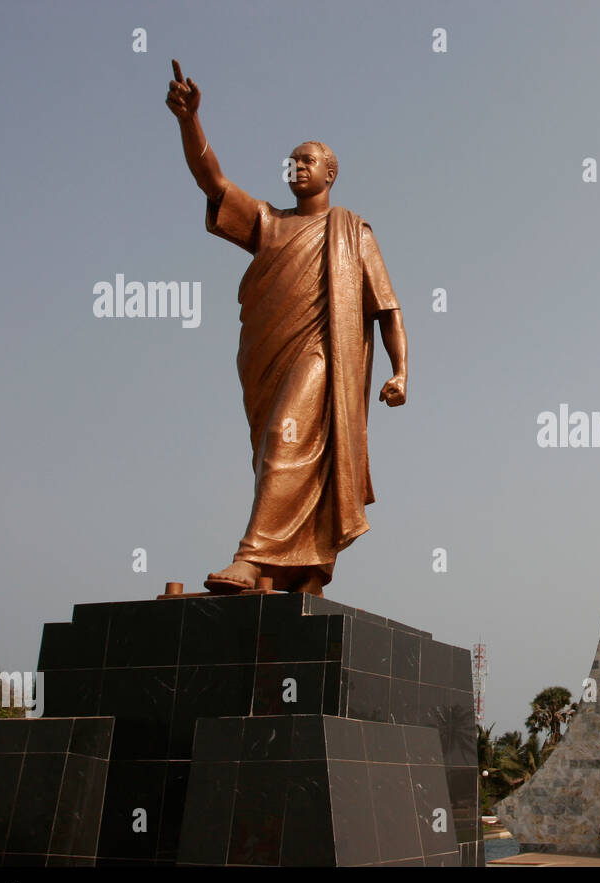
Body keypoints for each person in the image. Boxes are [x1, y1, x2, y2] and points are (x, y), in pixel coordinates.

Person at [165, 61, 407, 596]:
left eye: (307, 160)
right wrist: (189, 122)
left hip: (325, 355)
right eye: (292, 160)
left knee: (285, 439)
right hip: (266, 361)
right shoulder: (269, 225)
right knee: (277, 452)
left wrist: (401, 372)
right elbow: (214, 182)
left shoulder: (351, 231)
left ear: (330, 173)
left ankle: (252, 557)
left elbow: (386, 307)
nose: (296, 167)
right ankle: (302, 571)